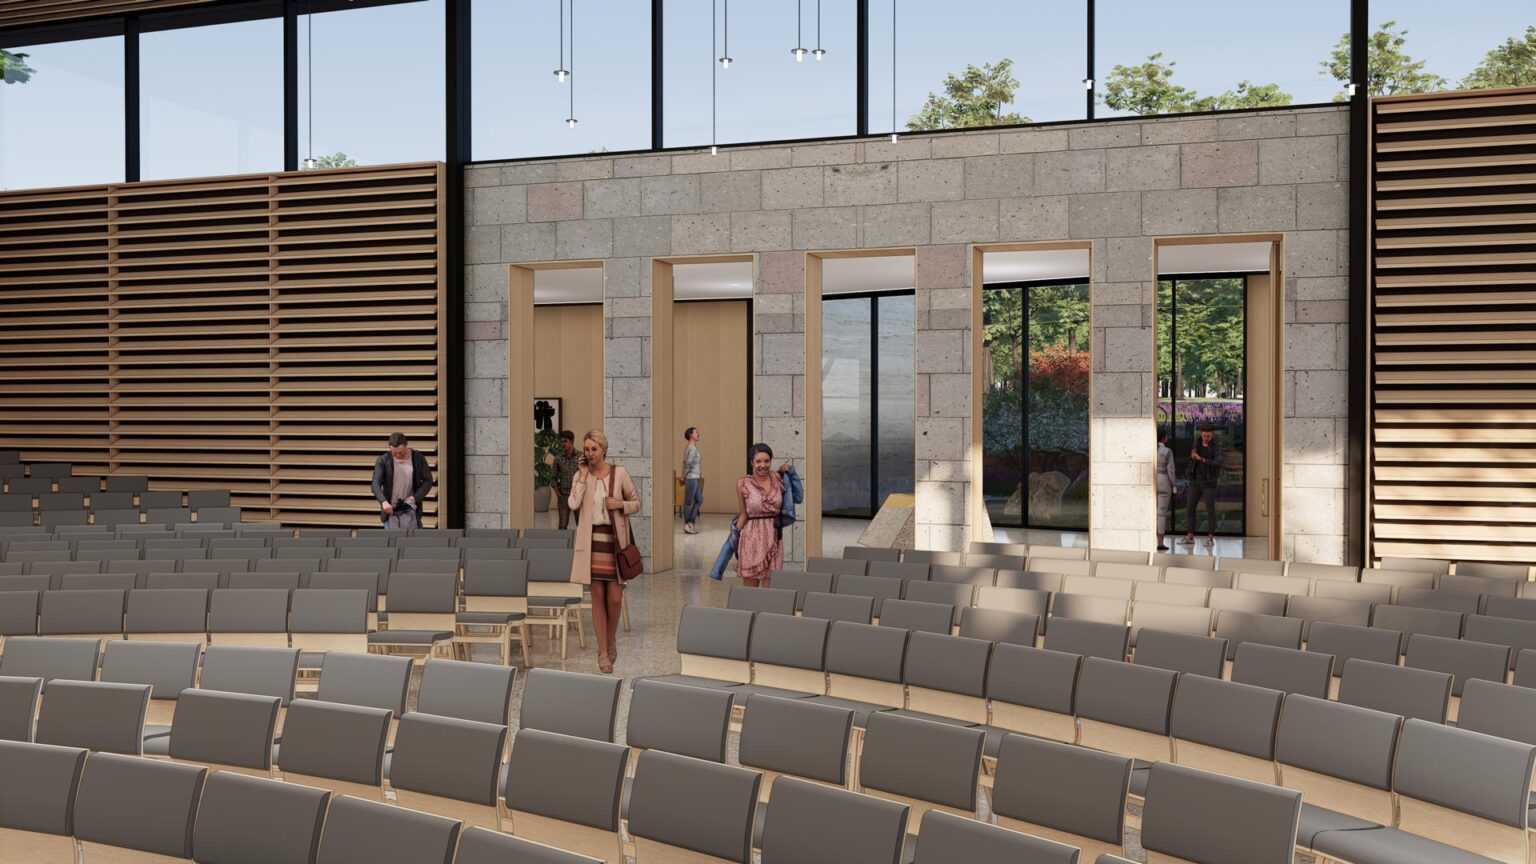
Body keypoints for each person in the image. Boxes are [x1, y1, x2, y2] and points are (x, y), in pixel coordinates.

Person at [568, 429, 640, 674]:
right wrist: (581, 475)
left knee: (615, 598)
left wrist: (621, 505)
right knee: (597, 597)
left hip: (614, 542)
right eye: (586, 449)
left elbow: (636, 502)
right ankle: (602, 650)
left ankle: (611, 640)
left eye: (594, 449)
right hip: (591, 543)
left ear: (604, 450)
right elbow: (572, 504)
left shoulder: (619, 473)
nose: (589, 453)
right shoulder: (582, 476)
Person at [734, 443, 791, 588]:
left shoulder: (778, 479)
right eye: (758, 461)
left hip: (774, 539)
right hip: (751, 539)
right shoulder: (743, 484)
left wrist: (789, 472)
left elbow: (797, 496)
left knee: (770, 593)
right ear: (752, 462)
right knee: (750, 593)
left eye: (766, 461)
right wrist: (732, 541)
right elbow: (743, 515)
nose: (763, 465)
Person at [372, 432, 433, 529]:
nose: (398, 455)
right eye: (394, 453)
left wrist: (414, 497)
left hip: (410, 508)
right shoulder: (383, 461)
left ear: (406, 445)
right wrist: (383, 502)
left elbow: (428, 480)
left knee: (412, 542)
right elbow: (375, 484)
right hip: (390, 510)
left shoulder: (418, 458)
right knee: (392, 542)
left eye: (401, 452)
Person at [1180, 425, 1223, 547]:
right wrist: (1192, 456)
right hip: (1195, 481)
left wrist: (1202, 459)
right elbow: (1191, 458)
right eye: (1204, 435)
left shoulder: (1216, 446)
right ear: (1201, 434)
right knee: (1190, 508)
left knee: (1210, 510)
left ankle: (1210, 538)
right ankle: (1190, 537)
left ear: (1212, 435)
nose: (1206, 438)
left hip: (1209, 483)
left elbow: (1218, 462)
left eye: (1208, 436)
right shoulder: (1196, 443)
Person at [551, 430, 581, 531]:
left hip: (578, 495)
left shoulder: (582, 457)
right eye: (561, 441)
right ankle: (561, 545)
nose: (563, 443)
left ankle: (583, 546)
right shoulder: (558, 458)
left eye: (565, 441)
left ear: (572, 441)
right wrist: (558, 495)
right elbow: (553, 477)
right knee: (562, 525)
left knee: (581, 524)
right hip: (563, 495)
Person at [1156, 428, 1177, 551]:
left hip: (1151, 482)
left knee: (1152, 513)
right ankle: (1160, 543)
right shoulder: (1167, 451)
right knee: (1161, 514)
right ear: (1163, 438)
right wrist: (1174, 486)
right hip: (1164, 481)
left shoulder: (1149, 450)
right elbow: (1171, 470)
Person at [681, 427, 703, 534]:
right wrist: (683, 477)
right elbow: (687, 465)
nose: (698, 434)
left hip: (695, 477)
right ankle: (689, 525)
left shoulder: (689, 447)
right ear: (691, 434)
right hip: (692, 478)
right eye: (695, 432)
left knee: (699, 499)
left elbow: (684, 463)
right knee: (688, 502)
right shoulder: (692, 448)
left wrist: (682, 476)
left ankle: (690, 523)